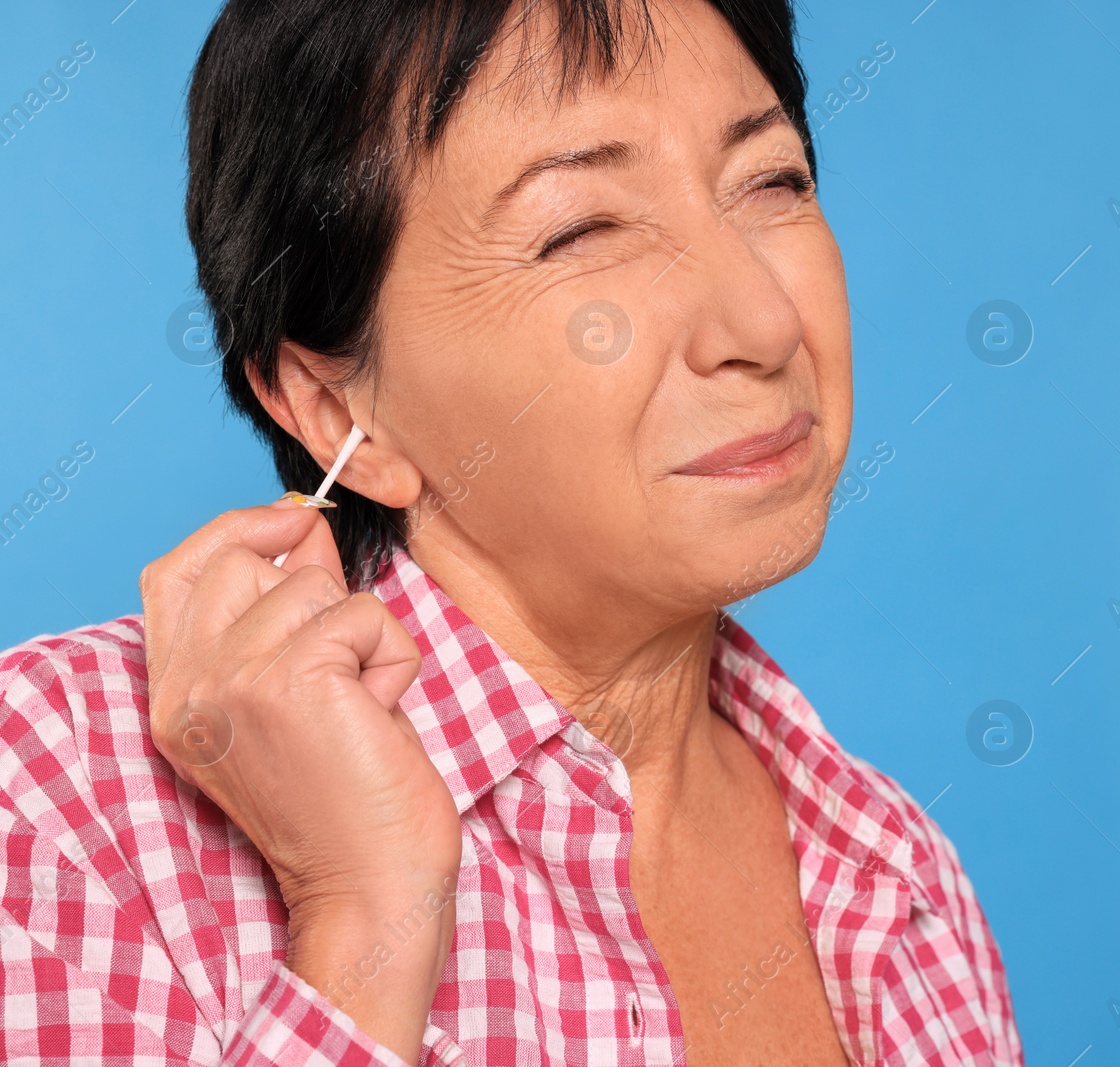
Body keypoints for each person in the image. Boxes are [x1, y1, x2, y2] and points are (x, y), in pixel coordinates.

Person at [0, 1, 1022, 1063]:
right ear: (339, 408)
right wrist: (358, 916)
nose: (763, 326)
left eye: (772, 182)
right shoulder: (58, 801)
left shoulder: (898, 874)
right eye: (584, 229)